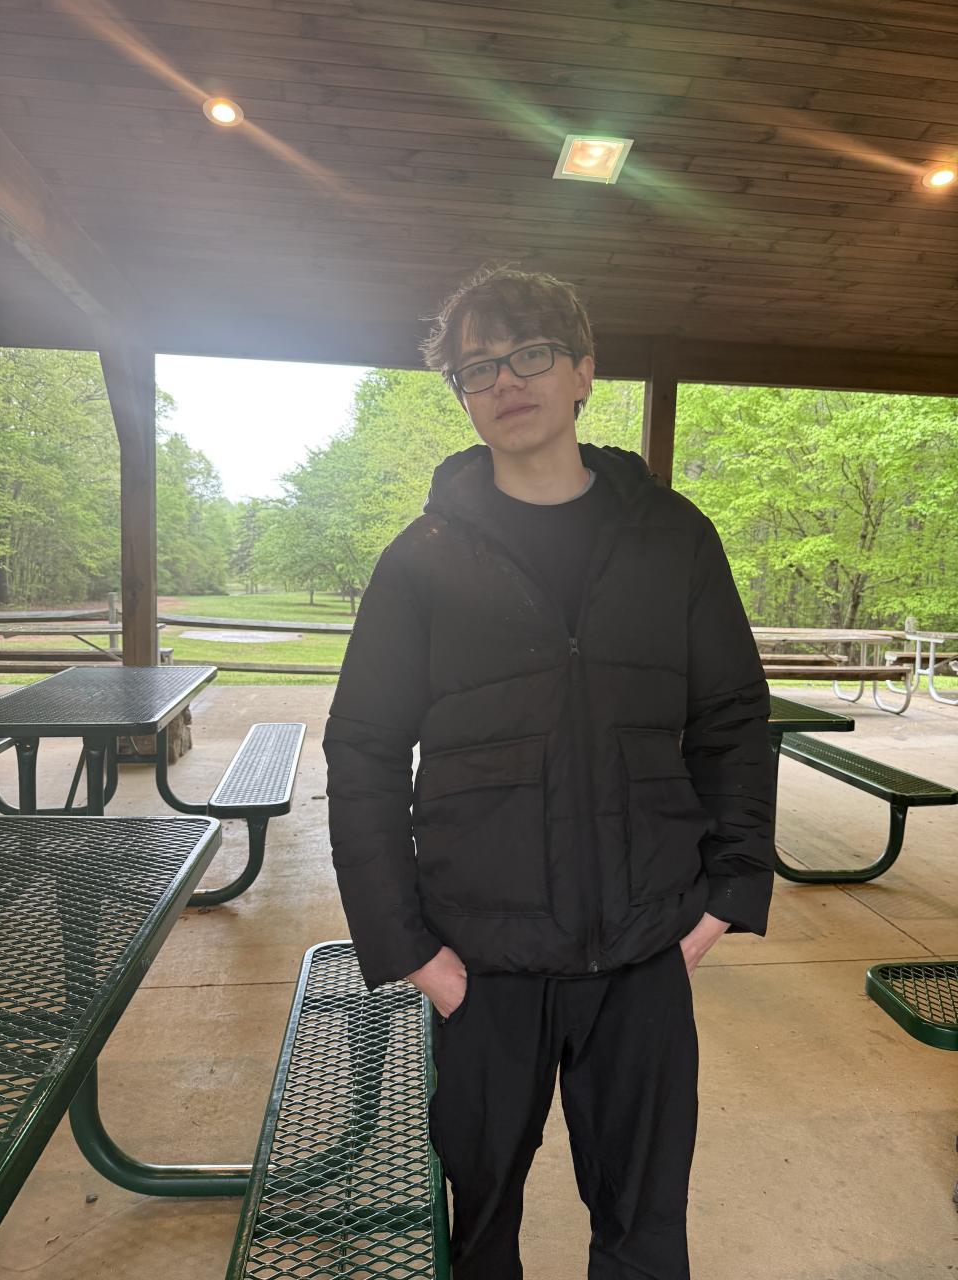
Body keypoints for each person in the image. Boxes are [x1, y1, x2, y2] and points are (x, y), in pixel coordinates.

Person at [322, 266, 775, 1280]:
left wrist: (724, 900)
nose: (505, 381)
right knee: (481, 1225)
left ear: (582, 371)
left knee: (645, 1227)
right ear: (461, 393)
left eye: (529, 353)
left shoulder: (675, 539)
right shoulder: (420, 559)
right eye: (477, 367)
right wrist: (411, 951)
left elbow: (734, 720)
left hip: (646, 951)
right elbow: (363, 749)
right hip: (481, 963)